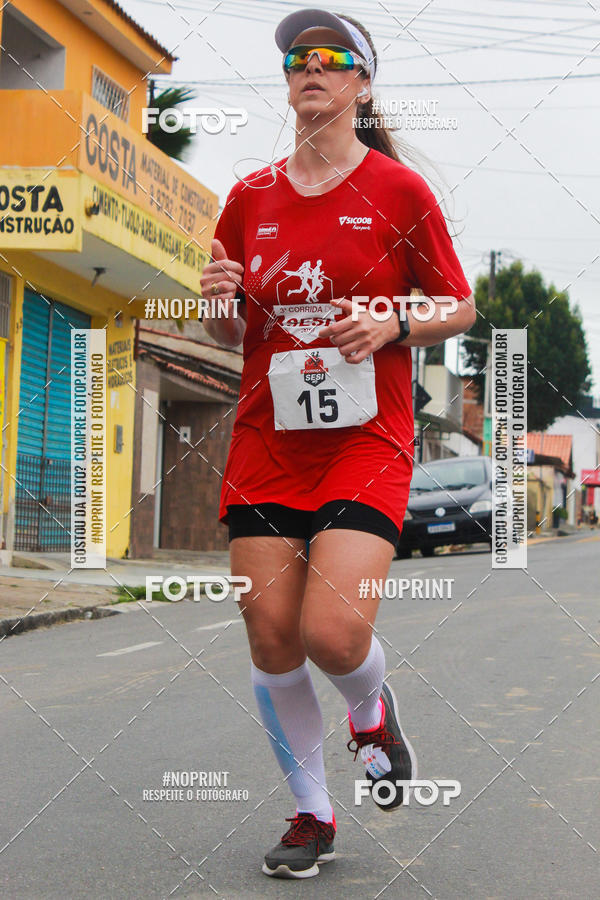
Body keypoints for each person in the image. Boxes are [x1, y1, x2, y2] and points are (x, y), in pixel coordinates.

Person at [200, 7, 476, 880]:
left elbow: (459, 306)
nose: (307, 70)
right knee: (271, 634)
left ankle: (370, 708)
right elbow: (221, 329)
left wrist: (394, 318)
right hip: (266, 441)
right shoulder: (247, 197)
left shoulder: (398, 192)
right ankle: (313, 815)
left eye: (328, 59)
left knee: (333, 631)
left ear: (360, 82)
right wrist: (213, 306)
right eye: (294, 62)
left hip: (367, 438)